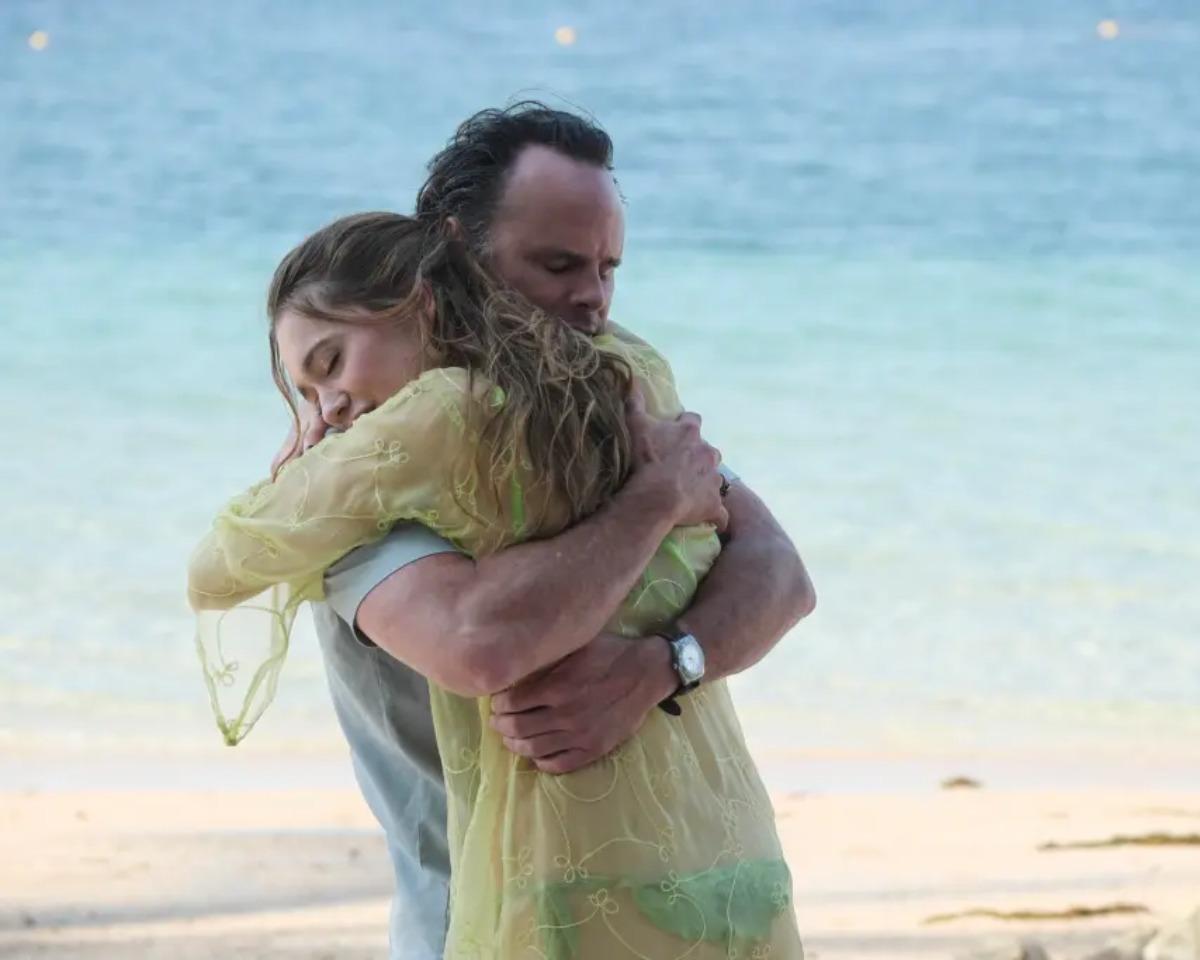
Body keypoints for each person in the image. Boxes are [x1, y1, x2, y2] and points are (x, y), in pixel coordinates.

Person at [270, 104, 812, 958]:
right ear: (456, 255)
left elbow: (781, 572)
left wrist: (665, 664)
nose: (592, 298)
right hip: (473, 923)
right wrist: (652, 503)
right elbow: (479, 643)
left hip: (669, 907)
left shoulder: (608, 404)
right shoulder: (357, 471)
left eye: (608, 269)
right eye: (558, 265)